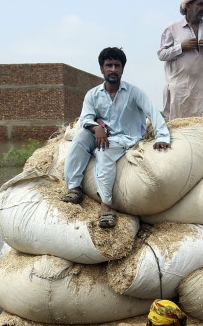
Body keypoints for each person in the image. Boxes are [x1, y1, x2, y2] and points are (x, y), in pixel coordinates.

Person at [62, 47, 170, 228]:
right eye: (108, 65)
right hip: (100, 134)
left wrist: (163, 137)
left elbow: (153, 113)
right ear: (102, 69)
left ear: (122, 69)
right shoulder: (93, 94)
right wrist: (97, 128)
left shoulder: (134, 93)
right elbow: (85, 118)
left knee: (104, 151)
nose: (113, 69)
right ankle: (74, 188)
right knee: (80, 137)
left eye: (116, 66)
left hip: (125, 138)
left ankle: (106, 206)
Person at [157, 0, 203, 119]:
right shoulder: (173, 28)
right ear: (188, 6)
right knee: (179, 125)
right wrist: (181, 47)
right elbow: (161, 55)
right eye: (200, 4)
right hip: (180, 88)